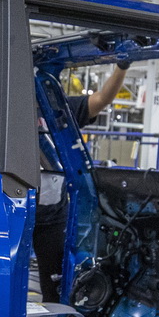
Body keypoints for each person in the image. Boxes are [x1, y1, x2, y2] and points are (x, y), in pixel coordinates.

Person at [35, 63, 128, 303]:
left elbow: (102, 99)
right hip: (13, 210)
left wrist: (121, 67)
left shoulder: (56, 109)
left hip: (53, 213)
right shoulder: (2, 112)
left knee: (55, 285)